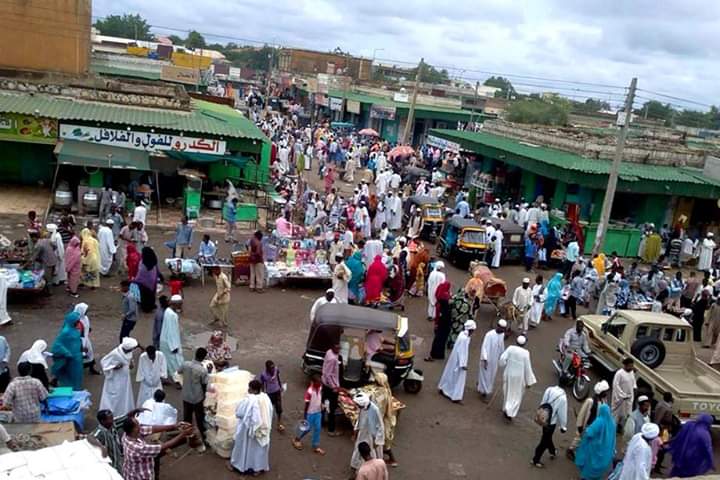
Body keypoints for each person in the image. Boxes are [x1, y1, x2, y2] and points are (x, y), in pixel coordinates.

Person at [121, 415, 189, 480]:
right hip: (140, 477)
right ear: (133, 429)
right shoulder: (138, 448)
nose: (140, 426)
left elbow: (152, 429)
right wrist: (183, 435)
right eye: (137, 425)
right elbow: (163, 446)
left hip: (131, 473)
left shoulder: (126, 435)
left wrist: (174, 426)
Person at [229, 379, 273, 475]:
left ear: (253, 390)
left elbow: (239, 413)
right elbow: (270, 412)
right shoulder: (266, 398)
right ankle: (257, 469)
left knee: (243, 448)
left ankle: (240, 466)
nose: (248, 389)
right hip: (262, 430)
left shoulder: (249, 400)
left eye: (250, 388)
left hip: (248, 431)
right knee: (258, 451)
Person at [91, 408, 144, 473]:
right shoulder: (99, 433)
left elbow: (125, 417)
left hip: (117, 464)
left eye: (112, 418)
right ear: (102, 421)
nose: (112, 420)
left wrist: (135, 411)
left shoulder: (112, 425)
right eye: (110, 419)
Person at [438, 319, 476, 403]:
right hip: (459, 361)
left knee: (450, 373)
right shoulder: (465, 338)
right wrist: (463, 364)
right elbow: (462, 351)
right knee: (458, 378)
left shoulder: (462, 334)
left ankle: (444, 388)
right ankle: (455, 396)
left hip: (454, 359)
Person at [574, 404, 616, 480]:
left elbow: (589, 433)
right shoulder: (612, 423)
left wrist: (584, 431)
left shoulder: (599, 421)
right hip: (606, 453)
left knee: (589, 469)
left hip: (595, 452)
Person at [568, 380, 609, 458]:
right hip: (587, 424)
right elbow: (582, 414)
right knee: (579, 439)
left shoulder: (603, 402)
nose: (606, 393)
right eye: (605, 391)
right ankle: (571, 450)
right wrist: (580, 426)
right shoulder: (590, 401)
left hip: (594, 426)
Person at [99, 337, 138, 417]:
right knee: (115, 398)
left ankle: (124, 412)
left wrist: (131, 365)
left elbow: (130, 362)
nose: (132, 350)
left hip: (125, 379)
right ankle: (113, 414)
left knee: (124, 396)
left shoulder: (129, 353)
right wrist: (115, 367)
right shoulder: (115, 353)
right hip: (115, 380)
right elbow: (104, 363)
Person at [500, 335, 536, 419]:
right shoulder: (525, 353)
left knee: (507, 391)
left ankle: (506, 408)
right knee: (516, 395)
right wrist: (529, 381)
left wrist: (504, 364)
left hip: (509, 374)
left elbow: (502, 359)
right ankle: (510, 412)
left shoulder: (510, 348)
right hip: (519, 378)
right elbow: (528, 367)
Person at [667, 413, 714, 478]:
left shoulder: (688, 425)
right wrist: (711, 462)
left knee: (676, 475)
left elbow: (678, 437)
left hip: (681, 457)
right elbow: (708, 449)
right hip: (694, 461)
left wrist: (668, 444)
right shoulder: (705, 434)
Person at [177, 347, 209, 442]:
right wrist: (204, 396)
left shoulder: (185, 364)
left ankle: (185, 436)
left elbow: (178, 371)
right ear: (203, 358)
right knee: (200, 418)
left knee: (187, 417)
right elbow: (204, 384)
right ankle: (203, 437)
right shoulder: (202, 370)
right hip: (197, 397)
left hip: (186, 395)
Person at [531, 384, 567, 468]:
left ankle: (552, 451)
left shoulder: (549, 389)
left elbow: (543, 403)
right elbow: (562, 414)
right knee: (544, 441)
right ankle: (535, 460)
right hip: (551, 423)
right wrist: (563, 426)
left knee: (547, 437)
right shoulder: (563, 398)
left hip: (544, 418)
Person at [370, 372, 399, 467]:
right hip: (384, 419)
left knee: (378, 442)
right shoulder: (386, 391)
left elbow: (375, 408)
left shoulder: (377, 394)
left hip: (378, 421)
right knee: (384, 442)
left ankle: (379, 462)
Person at [350, 392, 385, 471]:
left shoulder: (375, 410)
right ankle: (356, 466)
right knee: (359, 449)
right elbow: (359, 420)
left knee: (373, 452)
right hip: (363, 433)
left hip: (372, 436)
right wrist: (355, 432)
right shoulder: (362, 408)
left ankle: (373, 469)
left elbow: (380, 426)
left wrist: (378, 441)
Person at [292, 374, 325, 455]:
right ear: (313, 383)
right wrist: (305, 415)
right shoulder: (309, 391)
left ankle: (315, 445)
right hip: (310, 413)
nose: (320, 383)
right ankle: (296, 439)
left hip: (318, 411)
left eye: (320, 382)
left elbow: (320, 396)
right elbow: (306, 404)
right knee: (306, 428)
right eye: (318, 382)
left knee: (318, 428)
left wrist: (321, 404)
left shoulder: (320, 388)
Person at [50, 311, 83, 390]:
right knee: (70, 377)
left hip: (77, 358)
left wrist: (82, 348)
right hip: (70, 360)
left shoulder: (75, 329)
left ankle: (76, 391)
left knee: (77, 376)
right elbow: (57, 344)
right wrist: (66, 352)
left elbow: (77, 341)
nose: (78, 323)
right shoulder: (66, 331)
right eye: (77, 321)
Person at [477, 319, 507, 397]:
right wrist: (485, 359)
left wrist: (503, 357)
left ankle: (483, 389)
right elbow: (484, 347)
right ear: (498, 326)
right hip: (487, 359)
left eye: (504, 329)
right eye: (501, 328)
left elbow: (501, 347)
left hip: (495, 359)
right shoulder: (489, 334)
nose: (502, 330)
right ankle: (484, 392)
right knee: (485, 375)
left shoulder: (502, 335)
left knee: (491, 375)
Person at [160, 295, 184, 385]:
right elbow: (171, 331)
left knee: (168, 362)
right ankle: (177, 381)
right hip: (170, 343)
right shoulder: (171, 315)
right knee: (175, 363)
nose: (181, 306)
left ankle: (164, 378)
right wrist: (174, 346)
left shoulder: (168, 311)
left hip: (166, 341)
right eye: (180, 304)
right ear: (175, 304)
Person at [426, 281, 452, 361]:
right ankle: (438, 354)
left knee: (438, 340)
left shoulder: (440, 302)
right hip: (444, 326)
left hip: (441, 325)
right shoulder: (445, 304)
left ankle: (435, 354)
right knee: (441, 340)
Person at [257, 360, 285, 432]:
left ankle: (279, 422)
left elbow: (278, 378)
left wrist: (280, 386)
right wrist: (263, 393)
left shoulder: (276, 370)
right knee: (269, 408)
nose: (272, 369)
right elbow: (262, 384)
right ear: (267, 368)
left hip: (277, 391)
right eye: (271, 368)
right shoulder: (263, 375)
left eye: (273, 367)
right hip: (269, 393)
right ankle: (267, 422)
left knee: (279, 407)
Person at [321, 343, 341, 437]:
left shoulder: (329, 352)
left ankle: (321, 422)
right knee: (332, 408)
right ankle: (331, 430)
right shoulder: (333, 359)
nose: (339, 349)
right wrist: (334, 387)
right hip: (330, 386)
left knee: (324, 403)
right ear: (333, 348)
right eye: (337, 348)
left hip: (325, 384)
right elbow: (329, 374)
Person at [74, 302, 100, 375]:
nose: (87, 312)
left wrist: (88, 329)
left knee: (90, 353)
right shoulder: (76, 320)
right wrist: (81, 346)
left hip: (86, 339)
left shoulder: (85, 317)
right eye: (86, 310)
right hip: (78, 341)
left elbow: (87, 327)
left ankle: (91, 369)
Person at [612, 357, 636, 430]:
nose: (631, 367)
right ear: (625, 365)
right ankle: (613, 427)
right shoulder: (619, 373)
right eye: (630, 366)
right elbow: (615, 385)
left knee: (626, 414)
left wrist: (634, 388)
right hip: (620, 399)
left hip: (629, 398)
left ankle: (621, 426)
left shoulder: (631, 372)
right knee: (616, 414)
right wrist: (622, 395)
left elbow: (633, 382)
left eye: (632, 366)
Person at [135, 247, 162, 313]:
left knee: (145, 295)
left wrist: (134, 281)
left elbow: (139, 275)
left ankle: (146, 308)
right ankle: (151, 305)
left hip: (144, 284)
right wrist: (160, 276)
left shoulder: (143, 264)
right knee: (152, 294)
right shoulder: (153, 260)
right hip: (153, 281)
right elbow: (157, 269)